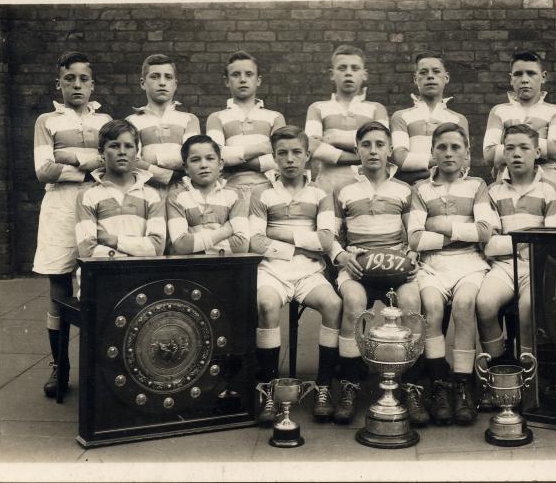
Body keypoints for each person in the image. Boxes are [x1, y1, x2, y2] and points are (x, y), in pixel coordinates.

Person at [248, 126, 343, 424]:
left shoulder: (321, 193)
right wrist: (301, 241)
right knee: (265, 305)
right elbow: (255, 241)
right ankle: (268, 391)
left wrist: (276, 232)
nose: (290, 159)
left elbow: (326, 240)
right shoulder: (260, 193)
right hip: (273, 270)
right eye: (283, 153)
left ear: (308, 155)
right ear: (274, 157)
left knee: (334, 304)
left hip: (309, 271)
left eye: (296, 152)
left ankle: (324, 387)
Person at [329, 121, 421, 424]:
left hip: (395, 269)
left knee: (411, 303)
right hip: (358, 266)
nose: (373, 150)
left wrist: (411, 255)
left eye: (380, 144)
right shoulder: (343, 190)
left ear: (390, 151)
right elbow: (328, 234)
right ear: (356, 150)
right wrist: (342, 256)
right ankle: (351, 383)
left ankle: (411, 385)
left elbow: (415, 233)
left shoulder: (404, 190)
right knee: (354, 303)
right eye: (366, 144)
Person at [33, 51, 112, 397]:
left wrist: (70, 157)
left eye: (83, 79)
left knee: (100, 281)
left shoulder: (106, 121)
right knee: (59, 286)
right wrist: (91, 163)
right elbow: (43, 171)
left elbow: (113, 163)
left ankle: (102, 367)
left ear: (92, 84)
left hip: (98, 204)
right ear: (59, 84)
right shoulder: (46, 121)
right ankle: (59, 365)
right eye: (69, 79)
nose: (77, 85)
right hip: (61, 208)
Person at [408, 122, 497, 426]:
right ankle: (439, 385)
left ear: (466, 153)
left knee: (463, 306)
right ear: (432, 152)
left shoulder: (477, 185)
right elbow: (416, 239)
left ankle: (463, 384)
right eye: (442, 147)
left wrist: (439, 226)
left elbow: (485, 232)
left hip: (468, 262)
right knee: (431, 308)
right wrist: (461, 232)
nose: (448, 153)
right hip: (432, 264)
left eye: (455, 147)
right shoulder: (420, 189)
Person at [475, 124, 556, 410]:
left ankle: (529, 381)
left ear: (537, 152)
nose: (516, 154)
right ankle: (500, 373)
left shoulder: (550, 191)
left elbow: (550, 241)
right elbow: (488, 243)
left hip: (536, 267)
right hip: (502, 267)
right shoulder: (492, 191)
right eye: (510, 147)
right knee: (485, 303)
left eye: (524, 147)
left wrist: (511, 240)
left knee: (527, 309)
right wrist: (526, 239)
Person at [75, 119, 166, 259]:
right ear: (102, 152)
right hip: (101, 276)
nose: (122, 152)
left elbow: (156, 249)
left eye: (128, 146)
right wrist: (135, 253)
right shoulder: (88, 195)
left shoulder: (152, 195)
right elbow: (88, 251)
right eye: (114, 146)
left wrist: (110, 239)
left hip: (142, 276)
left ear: (136, 152)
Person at [305, 45, 388, 193]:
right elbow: (313, 148)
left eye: (355, 68)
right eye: (342, 68)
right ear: (332, 74)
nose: (348, 73)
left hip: (364, 185)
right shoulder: (318, 108)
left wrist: (334, 139)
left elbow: (381, 148)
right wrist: (362, 154)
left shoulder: (376, 109)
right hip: (327, 184)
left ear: (364, 74)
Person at [206, 50, 286, 199]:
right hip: (228, 191)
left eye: (249, 74)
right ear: (226, 81)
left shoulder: (274, 117)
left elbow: (279, 160)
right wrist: (261, 148)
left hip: (268, 192)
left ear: (258, 80)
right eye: (236, 75)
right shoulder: (216, 118)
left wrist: (233, 159)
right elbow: (216, 157)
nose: (242, 79)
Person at [482, 50, 556, 187]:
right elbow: (489, 154)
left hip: (545, 183)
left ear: (543, 76)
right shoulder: (499, 111)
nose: (524, 80)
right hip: (506, 184)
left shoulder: (555, 111)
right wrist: (536, 141)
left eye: (531, 73)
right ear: (511, 78)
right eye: (518, 74)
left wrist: (509, 144)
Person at [126, 54, 200, 199]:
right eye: (155, 77)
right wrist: (170, 173)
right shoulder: (132, 121)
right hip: (145, 192)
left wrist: (151, 160)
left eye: (168, 77)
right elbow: (132, 162)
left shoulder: (188, 119)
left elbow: (192, 157)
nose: (162, 82)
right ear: (143, 83)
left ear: (175, 84)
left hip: (183, 192)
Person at [391, 51, 469, 185]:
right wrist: (444, 163)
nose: (430, 76)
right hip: (411, 188)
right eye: (423, 72)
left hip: (447, 190)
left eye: (436, 71)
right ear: (415, 79)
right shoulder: (401, 116)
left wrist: (418, 167)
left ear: (446, 77)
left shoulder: (458, 120)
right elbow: (400, 160)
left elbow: (465, 162)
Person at [166, 134, 250, 255]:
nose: (203, 165)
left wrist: (194, 248)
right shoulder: (176, 197)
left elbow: (241, 245)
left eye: (210, 158)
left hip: (227, 268)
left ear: (220, 164)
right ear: (186, 168)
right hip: (189, 270)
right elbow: (181, 245)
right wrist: (225, 231)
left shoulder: (235, 195)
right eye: (195, 160)